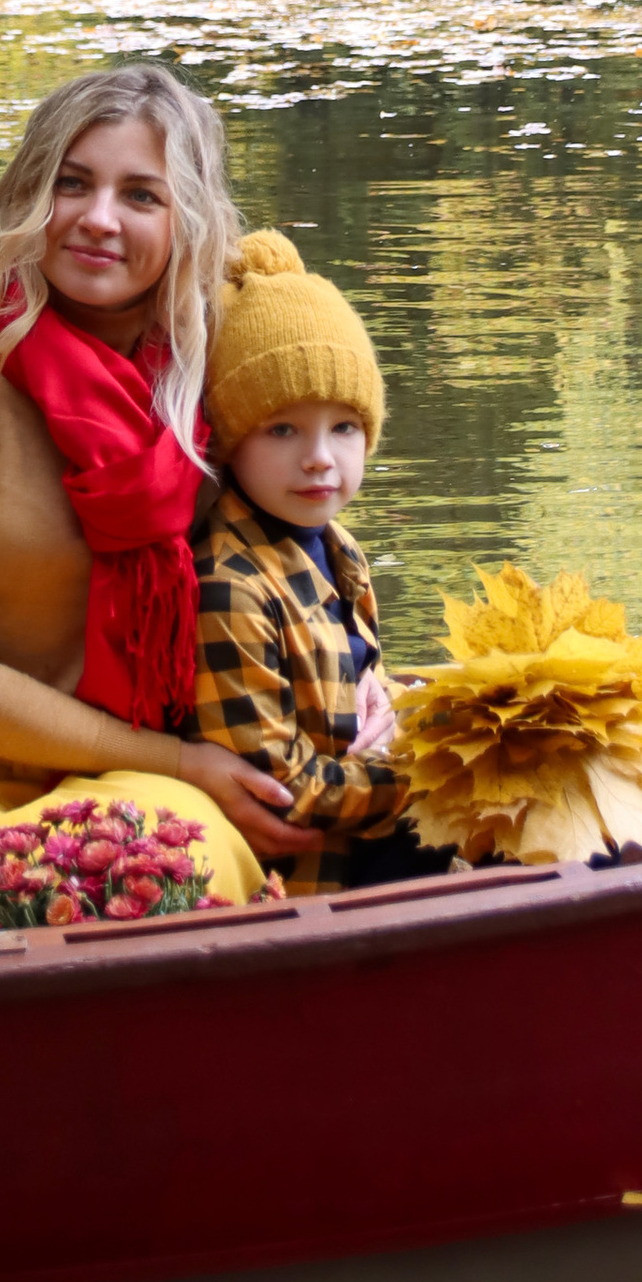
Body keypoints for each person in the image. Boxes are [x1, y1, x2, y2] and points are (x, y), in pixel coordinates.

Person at [0, 62, 302, 968]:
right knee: (27, 899)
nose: (98, 218)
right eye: (72, 182)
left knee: (174, 874)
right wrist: (178, 765)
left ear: (186, 222)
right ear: (26, 197)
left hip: (142, 772)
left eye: (140, 194)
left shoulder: (216, 386)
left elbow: (304, 553)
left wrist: (358, 692)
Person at [188, 232, 438, 893]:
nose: (320, 456)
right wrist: (431, 773)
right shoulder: (227, 586)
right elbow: (280, 788)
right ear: (230, 440)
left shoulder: (339, 548)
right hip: (311, 880)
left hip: (372, 826)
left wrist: (402, 715)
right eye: (282, 429)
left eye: (344, 427)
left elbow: (366, 690)